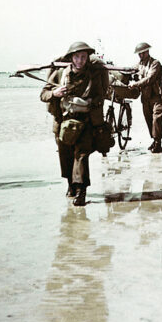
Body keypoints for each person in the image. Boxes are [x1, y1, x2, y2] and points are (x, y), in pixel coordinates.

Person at [40, 41, 109, 206]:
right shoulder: (60, 75)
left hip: (85, 123)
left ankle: (81, 191)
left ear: (87, 58)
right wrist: (55, 93)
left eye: (83, 57)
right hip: (63, 123)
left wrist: (91, 102)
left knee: (81, 156)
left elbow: (101, 95)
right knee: (65, 155)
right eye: (77, 57)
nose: (80, 60)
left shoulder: (93, 76)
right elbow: (43, 94)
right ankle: (71, 185)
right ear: (71, 58)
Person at [132, 42, 162, 153]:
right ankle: (154, 141)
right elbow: (131, 70)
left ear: (147, 52)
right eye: (139, 54)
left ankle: (158, 143)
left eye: (142, 53)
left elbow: (150, 79)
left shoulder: (155, 63)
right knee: (149, 120)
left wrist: (135, 84)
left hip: (156, 97)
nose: (140, 55)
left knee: (156, 119)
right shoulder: (139, 65)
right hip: (145, 97)